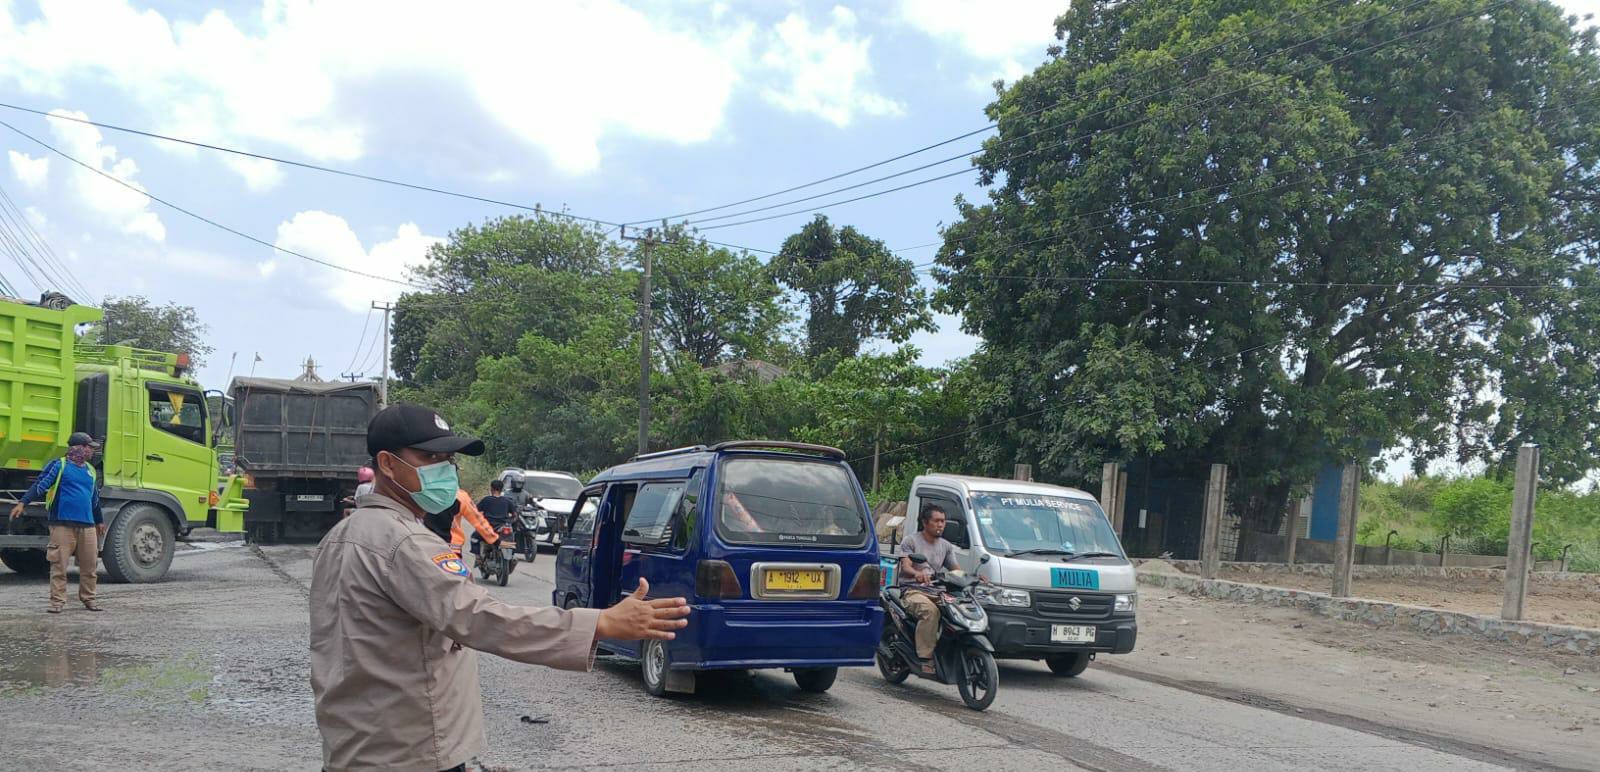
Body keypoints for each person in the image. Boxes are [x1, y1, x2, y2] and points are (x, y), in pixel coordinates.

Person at [311, 403, 689, 772]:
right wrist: (599, 624)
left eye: (449, 459)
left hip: (358, 742)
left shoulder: (341, 536)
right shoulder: (404, 542)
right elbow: (482, 618)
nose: (445, 469)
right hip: (409, 751)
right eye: (429, 458)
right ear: (388, 464)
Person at [10, 432, 105, 613]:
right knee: (59, 565)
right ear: (77, 447)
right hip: (62, 524)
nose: (91, 451)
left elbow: (94, 499)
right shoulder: (59, 465)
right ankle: (57, 602)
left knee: (90, 566)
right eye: (88, 447)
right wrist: (23, 502)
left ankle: (89, 599)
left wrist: (99, 521)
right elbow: (41, 485)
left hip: (87, 525)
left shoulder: (90, 470)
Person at [897, 503, 960, 673]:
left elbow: (956, 570)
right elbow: (906, 566)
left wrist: (973, 577)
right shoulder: (911, 541)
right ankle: (925, 657)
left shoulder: (946, 546)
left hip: (936, 591)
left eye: (943, 521)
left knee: (958, 611)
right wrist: (916, 573)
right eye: (936, 521)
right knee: (930, 612)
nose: (940, 525)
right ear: (925, 522)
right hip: (912, 590)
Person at [473, 479, 516, 556]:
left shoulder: (486, 500)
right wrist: (510, 521)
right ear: (502, 489)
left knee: (474, 537)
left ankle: (478, 557)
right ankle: (512, 556)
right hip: (502, 526)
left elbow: (475, 511)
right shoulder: (507, 501)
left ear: (491, 489)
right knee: (510, 539)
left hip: (488, 526)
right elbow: (514, 515)